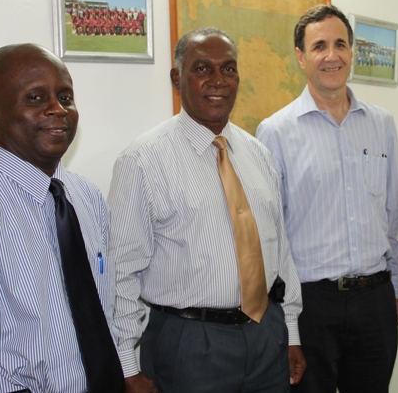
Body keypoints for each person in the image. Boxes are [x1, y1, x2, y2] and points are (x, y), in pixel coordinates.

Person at [109, 27, 305, 393]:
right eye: (202, 69)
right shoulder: (142, 161)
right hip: (188, 345)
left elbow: (282, 252)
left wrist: (290, 332)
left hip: (267, 336)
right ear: (176, 78)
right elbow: (121, 272)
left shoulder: (258, 155)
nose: (218, 81)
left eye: (228, 69)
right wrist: (126, 365)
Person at [0, 43, 123, 392]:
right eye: (36, 98)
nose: (58, 110)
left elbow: (101, 311)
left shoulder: (86, 197)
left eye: (65, 97)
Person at [256, 3, 398, 393]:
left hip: (375, 300)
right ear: (301, 58)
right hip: (311, 304)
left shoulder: (382, 124)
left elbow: (395, 212)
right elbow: (271, 232)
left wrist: (396, 289)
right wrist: (287, 322)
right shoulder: (275, 131)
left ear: (352, 53)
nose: (332, 55)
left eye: (341, 44)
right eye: (319, 46)